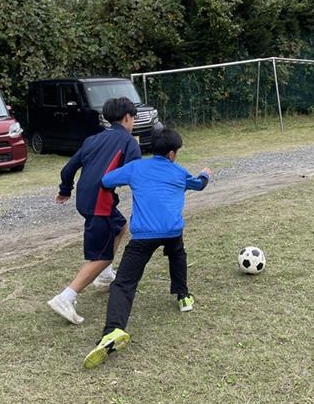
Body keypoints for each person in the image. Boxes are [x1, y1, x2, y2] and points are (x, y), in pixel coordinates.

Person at [83, 127, 211, 368]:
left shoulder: (136, 168)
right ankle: (183, 296)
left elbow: (106, 181)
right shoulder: (179, 172)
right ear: (172, 154)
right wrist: (205, 174)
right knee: (177, 254)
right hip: (172, 231)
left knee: (124, 283)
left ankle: (113, 330)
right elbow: (199, 184)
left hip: (143, 235)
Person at [47, 97, 141, 324]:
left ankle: (105, 276)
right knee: (101, 256)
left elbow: (68, 168)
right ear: (127, 117)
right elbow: (135, 173)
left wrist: (65, 190)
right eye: (133, 118)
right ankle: (66, 297)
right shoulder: (129, 142)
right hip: (101, 203)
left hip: (85, 199)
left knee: (120, 226)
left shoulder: (93, 139)